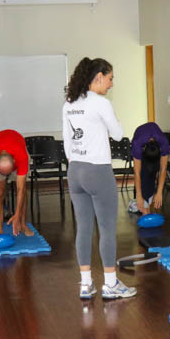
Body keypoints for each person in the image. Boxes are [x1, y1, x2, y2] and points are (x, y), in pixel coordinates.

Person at [63, 57, 137, 300]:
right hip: (97, 171)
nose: (111, 84)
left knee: (83, 228)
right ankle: (111, 283)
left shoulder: (69, 103)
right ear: (98, 77)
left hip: (75, 172)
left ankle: (85, 284)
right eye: (110, 78)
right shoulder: (101, 103)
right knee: (106, 229)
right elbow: (117, 134)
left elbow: (67, 142)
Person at [0, 129, 33, 238]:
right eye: (3, 173)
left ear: (14, 162)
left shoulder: (21, 156)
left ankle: (23, 224)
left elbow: (20, 189)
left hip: (17, 145)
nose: (6, 176)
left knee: (23, 189)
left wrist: (17, 214)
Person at [130, 122, 170, 215]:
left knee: (152, 172)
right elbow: (137, 173)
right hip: (142, 143)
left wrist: (159, 192)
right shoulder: (137, 144)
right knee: (144, 173)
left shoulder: (164, 143)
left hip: (154, 148)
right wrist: (139, 195)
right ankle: (142, 205)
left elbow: (163, 170)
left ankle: (147, 203)